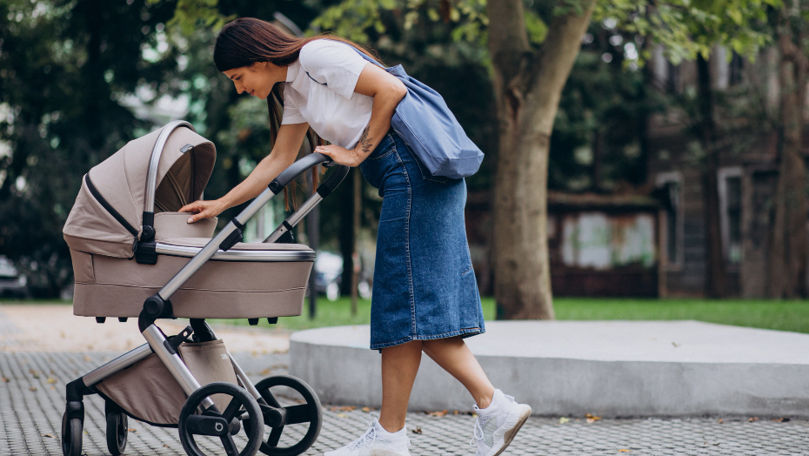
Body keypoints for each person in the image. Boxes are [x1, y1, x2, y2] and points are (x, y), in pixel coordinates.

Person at [180, 17, 532, 456]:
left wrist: (356, 152)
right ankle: (434, 424)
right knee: (411, 310)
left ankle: (461, 415)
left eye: (238, 77)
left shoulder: (316, 56)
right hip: (410, 180)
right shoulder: (294, 90)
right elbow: (278, 159)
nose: (238, 88)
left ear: (261, 59)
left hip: (412, 174)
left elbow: (391, 90)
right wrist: (220, 204)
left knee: (404, 306)